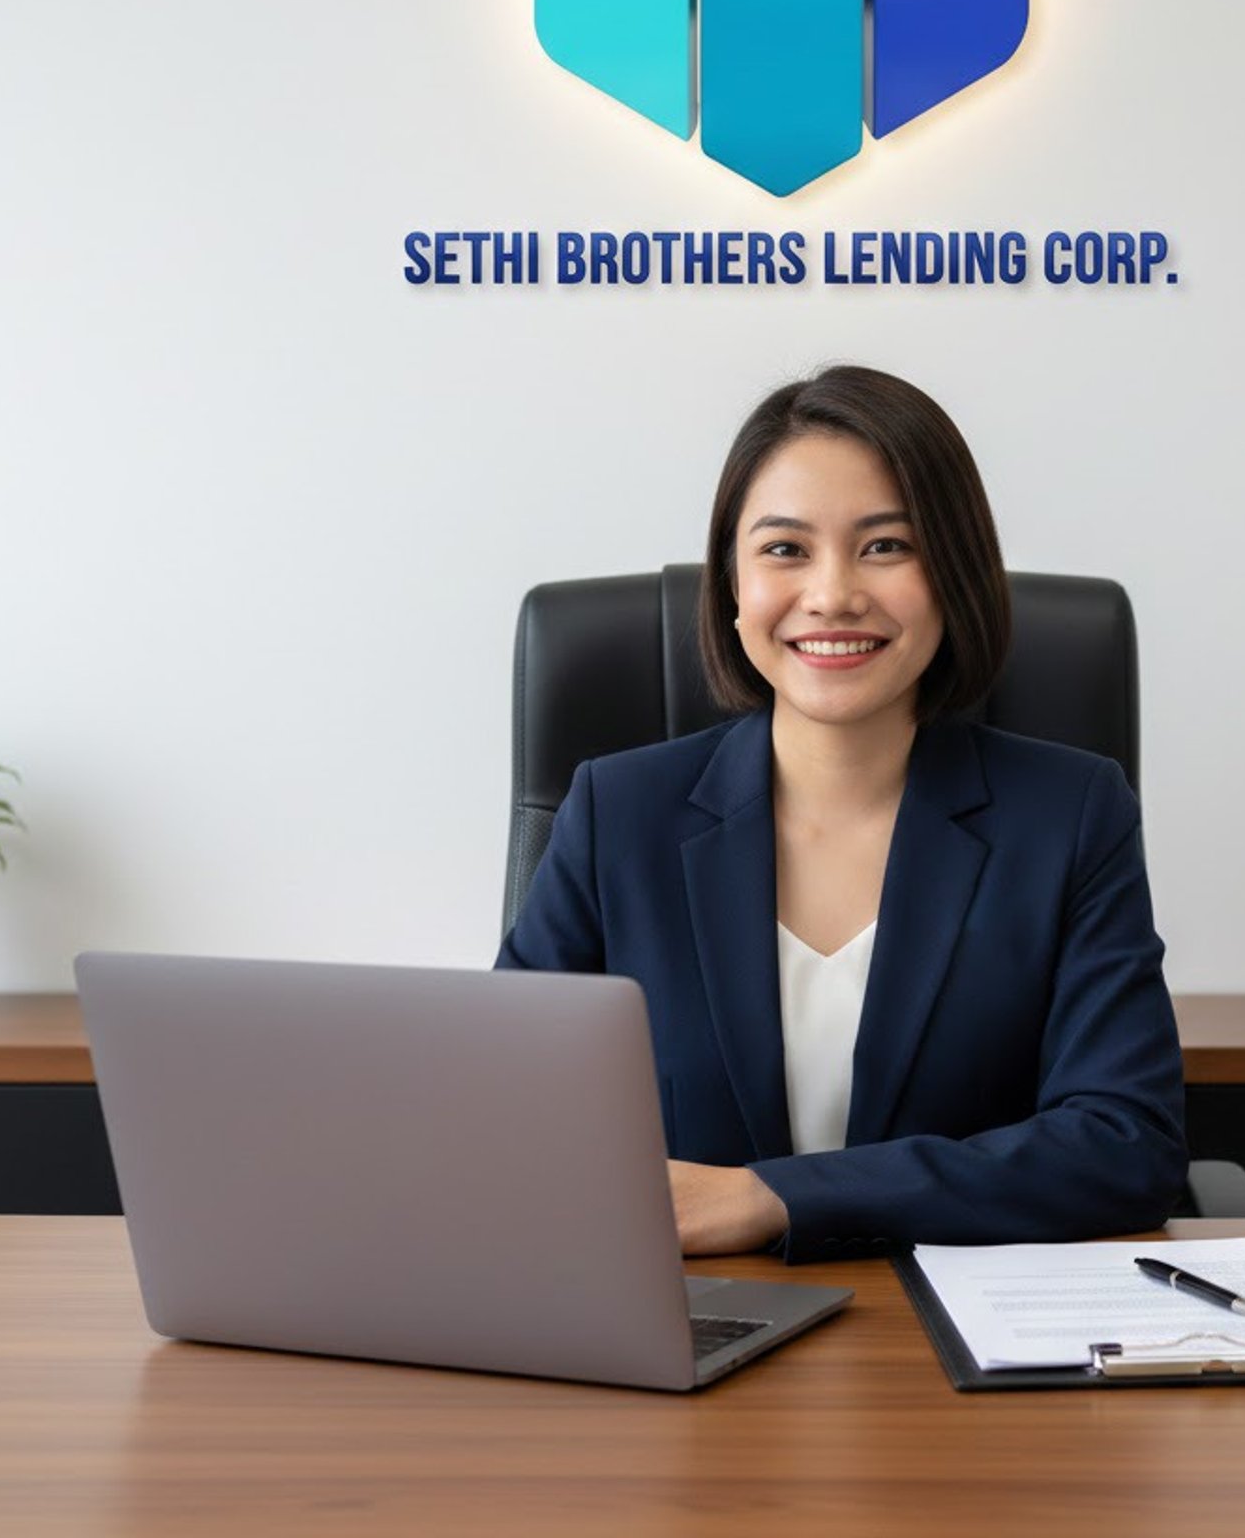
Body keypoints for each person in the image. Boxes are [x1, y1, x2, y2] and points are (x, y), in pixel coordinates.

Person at [496, 365, 1186, 1260]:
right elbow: (509, 1121)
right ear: (733, 585)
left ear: (953, 572)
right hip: (684, 1330)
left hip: (956, 1351)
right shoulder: (616, 815)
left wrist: (773, 1198)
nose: (832, 595)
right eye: (785, 550)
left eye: (886, 546)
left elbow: (1125, 1147)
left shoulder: (1071, 816)